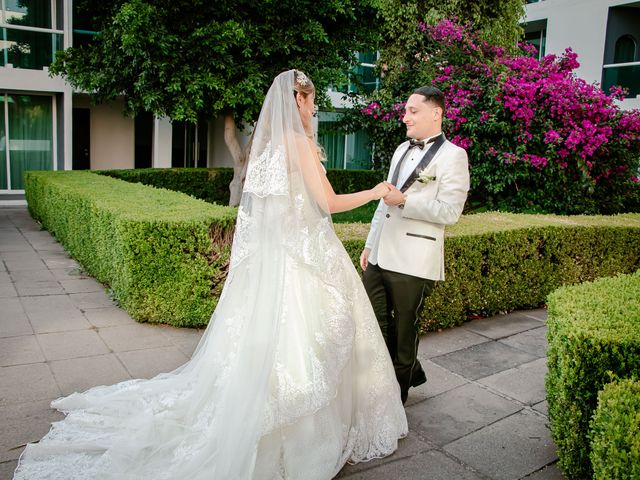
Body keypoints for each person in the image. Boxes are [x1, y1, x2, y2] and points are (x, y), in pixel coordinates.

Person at [14, 70, 407, 480]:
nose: (314, 111)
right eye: (310, 103)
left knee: (274, 346)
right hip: (307, 257)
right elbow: (327, 202)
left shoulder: (269, 146)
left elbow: (268, 214)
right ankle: (300, 437)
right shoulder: (298, 144)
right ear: (300, 103)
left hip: (285, 256)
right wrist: (377, 191)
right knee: (312, 342)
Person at [360, 86, 470, 405]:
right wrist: (370, 244)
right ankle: (408, 372)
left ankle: (397, 396)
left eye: (412, 110)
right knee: (373, 320)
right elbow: (385, 202)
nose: (405, 116)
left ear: (436, 113)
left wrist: (406, 201)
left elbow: (450, 212)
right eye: (405, 110)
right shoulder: (399, 150)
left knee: (406, 330)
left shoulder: (454, 156)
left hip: (414, 258)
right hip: (381, 253)